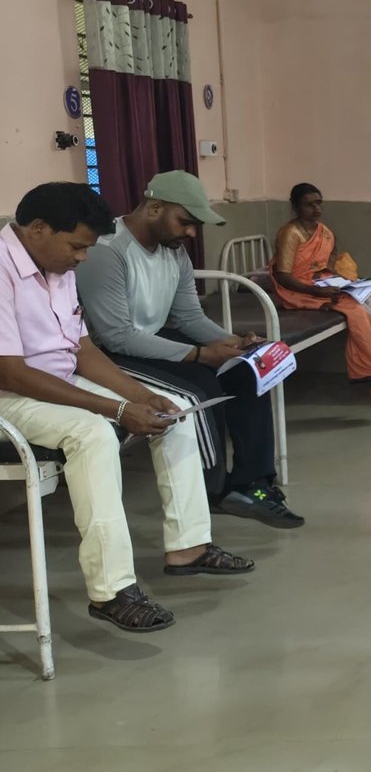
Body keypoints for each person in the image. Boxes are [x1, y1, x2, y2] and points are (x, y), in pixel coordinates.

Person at [0, 182, 254, 632]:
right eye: (77, 246)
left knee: (173, 409)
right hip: (11, 396)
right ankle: (111, 590)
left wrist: (139, 396)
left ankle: (189, 546)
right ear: (38, 229)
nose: (82, 258)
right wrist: (114, 411)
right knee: (92, 434)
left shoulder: (55, 264)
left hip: (56, 381)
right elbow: (13, 373)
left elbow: (82, 351)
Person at [77, 170, 303, 528]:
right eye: (185, 222)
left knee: (245, 370)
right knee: (201, 385)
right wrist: (199, 355)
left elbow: (189, 317)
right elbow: (116, 335)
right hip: (106, 352)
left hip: (147, 340)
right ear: (154, 208)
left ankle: (251, 484)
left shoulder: (174, 252)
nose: (191, 233)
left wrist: (233, 342)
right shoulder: (108, 251)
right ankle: (212, 490)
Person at [270, 183, 371, 399]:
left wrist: (347, 282)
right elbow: (283, 276)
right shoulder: (290, 233)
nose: (316, 209)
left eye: (319, 203)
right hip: (298, 290)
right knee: (357, 311)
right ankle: (369, 371)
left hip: (321, 284)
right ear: (295, 207)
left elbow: (326, 267)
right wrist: (316, 291)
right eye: (308, 205)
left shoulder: (325, 233)